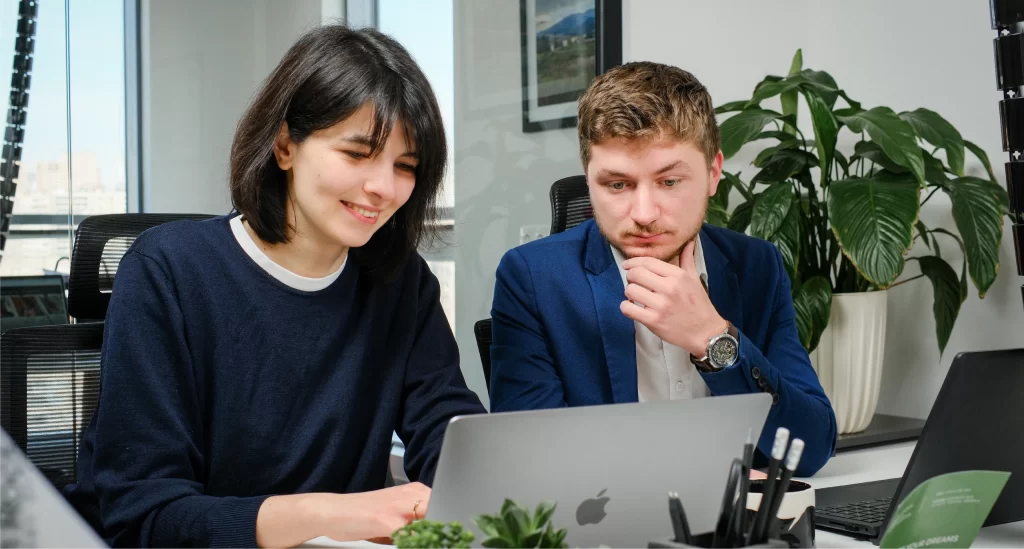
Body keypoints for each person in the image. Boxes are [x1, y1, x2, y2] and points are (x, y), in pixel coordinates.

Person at [63, 25, 485, 548]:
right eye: (356, 154)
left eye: (405, 166)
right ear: (285, 145)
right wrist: (332, 515)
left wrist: (478, 488)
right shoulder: (168, 271)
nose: (383, 187)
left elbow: (446, 427)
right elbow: (147, 516)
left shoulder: (400, 282)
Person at [488, 61, 836, 476]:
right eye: (617, 185)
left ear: (712, 173)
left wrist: (713, 339)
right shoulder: (533, 278)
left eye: (669, 182)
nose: (644, 213)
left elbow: (810, 448)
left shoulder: (756, 266)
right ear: (589, 179)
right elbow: (531, 460)